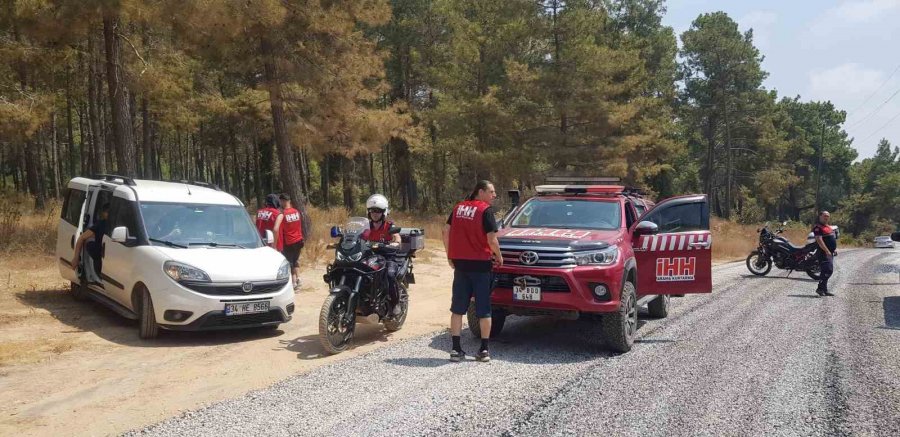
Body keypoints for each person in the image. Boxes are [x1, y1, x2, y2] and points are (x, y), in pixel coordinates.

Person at [443, 180, 503, 363]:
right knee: (484, 309)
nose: (494, 195)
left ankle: (455, 349)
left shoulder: (458, 208)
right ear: (481, 192)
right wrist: (499, 256)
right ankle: (483, 350)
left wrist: (449, 256)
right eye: (491, 192)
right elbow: (492, 240)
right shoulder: (485, 211)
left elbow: (445, 231)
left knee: (458, 309)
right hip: (480, 265)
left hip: (461, 265)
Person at [361, 194, 404, 316]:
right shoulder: (366, 226)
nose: (375, 213)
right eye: (372, 211)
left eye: (378, 211)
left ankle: (395, 303)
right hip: (370, 257)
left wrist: (396, 243)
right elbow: (358, 236)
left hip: (387, 257)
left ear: (384, 212)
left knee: (390, 275)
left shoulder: (389, 226)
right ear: (368, 212)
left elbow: (397, 237)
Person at [71, 202, 110, 282]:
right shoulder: (100, 224)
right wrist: (76, 257)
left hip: (109, 258)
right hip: (101, 257)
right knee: (88, 242)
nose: (107, 214)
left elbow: (82, 238)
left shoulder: (103, 224)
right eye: (106, 212)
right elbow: (81, 238)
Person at [279, 193, 305, 291]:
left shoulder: (283, 214)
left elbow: (281, 229)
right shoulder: (296, 212)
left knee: (289, 263)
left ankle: (293, 283)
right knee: (295, 261)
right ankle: (297, 280)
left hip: (289, 241)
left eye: (281, 201)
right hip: (298, 240)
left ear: (283, 201)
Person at [812, 211, 837, 297]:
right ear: (820, 216)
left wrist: (834, 250)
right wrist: (827, 251)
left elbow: (832, 239)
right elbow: (819, 240)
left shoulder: (828, 227)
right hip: (823, 252)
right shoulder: (817, 227)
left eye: (828, 216)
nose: (826, 217)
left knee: (826, 270)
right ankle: (820, 288)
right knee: (828, 270)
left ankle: (824, 290)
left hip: (830, 252)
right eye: (825, 216)